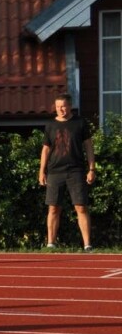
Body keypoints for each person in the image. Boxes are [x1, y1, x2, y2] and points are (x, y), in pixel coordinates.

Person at [40, 95, 97, 250]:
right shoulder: (50, 125)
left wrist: (91, 169)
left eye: (64, 106)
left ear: (70, 106)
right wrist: (41, 171)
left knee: (81, 207)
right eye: (58, 106)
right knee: (53, 208)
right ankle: (51, 244)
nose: (61, 109)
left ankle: (87, 245)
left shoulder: (80, 123)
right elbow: (45, 149)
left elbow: (89, 147)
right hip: (54, 172)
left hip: (76, 171)